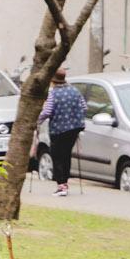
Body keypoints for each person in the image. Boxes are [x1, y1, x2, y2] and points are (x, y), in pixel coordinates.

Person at [41, 68, 86, 196]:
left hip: (58, 130)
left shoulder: (53, 93)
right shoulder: (75, 90)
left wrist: (37, 120)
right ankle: (65, 183)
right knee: (66, 155)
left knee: (57, 156)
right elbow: (84, 107)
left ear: (52, 81)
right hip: (75, 128)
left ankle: (61, 187)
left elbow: (47, 111)